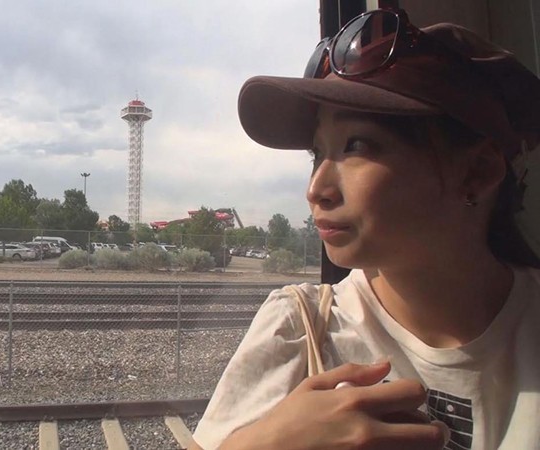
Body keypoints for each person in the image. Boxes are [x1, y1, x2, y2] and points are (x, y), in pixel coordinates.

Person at [190, 8, 540, 450]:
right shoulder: (301, 325)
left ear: (478, 172)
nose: (316, 189)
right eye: (318, 154)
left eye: (355, 145)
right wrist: (268, 442)